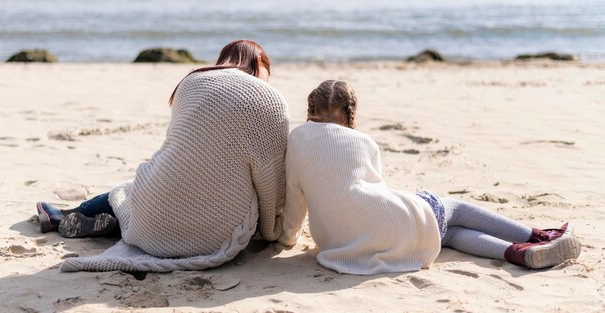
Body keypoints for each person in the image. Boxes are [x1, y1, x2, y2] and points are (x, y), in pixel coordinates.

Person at [278, 80, 581, 275]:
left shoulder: (298, 139)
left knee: (445, 234)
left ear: (311, 109)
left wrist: (288, 238)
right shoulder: (364, 142)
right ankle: (538, 237)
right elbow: (377, 189)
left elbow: (295, 201)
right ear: (350, 112)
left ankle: (517, 254)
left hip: (340, 241)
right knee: (455, 209)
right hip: (384, 223)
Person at [36, 40, 288, 265]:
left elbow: (178, 148)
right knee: (197, 200)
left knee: (126, 192)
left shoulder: (192, 81)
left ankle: (66, 214)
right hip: (210, 234)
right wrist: (270, 230)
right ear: (258, 62)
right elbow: (270, 178)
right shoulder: (269, 99)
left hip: (151, 214)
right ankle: (103, 223)